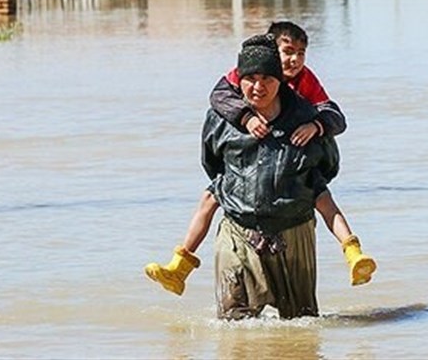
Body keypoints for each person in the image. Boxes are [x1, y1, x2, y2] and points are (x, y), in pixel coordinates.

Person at [144, 26, 376, 304]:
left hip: (296, 205)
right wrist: (246, 119)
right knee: (210, 196)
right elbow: (215, 124)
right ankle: (180, 265)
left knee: (323, 198)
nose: (295, 60)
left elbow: (335, 125)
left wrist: (315, 125)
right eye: (288, 52)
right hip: (240, 201)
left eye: (300, 53)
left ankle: (352, 252)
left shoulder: (306, 92)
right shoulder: (231, 90)